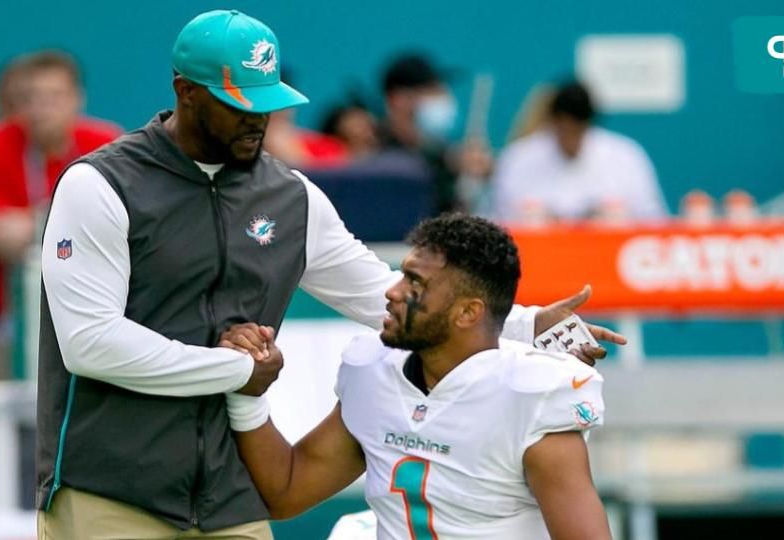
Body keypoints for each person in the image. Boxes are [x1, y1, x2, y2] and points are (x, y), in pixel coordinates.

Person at [36, 10, 624, 539]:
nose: (257, 120)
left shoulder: (290, 195)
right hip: (112, 488)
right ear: (185, 92)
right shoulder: (101, 184)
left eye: (266, 102)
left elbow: (379, 292)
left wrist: (521, 325)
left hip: (227, 495)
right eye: (239, 103)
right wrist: (239, 370)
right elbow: (91, 345)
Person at [224, 214, 612, 540]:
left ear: (467, 313)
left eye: (415, 283)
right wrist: (249, 395)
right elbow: (287, 492)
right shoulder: (373, 370)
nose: (392, 292)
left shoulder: (533, 396)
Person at [0, 51, 120, 380]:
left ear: (77, 98)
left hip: (92, 314)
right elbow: (1, 237)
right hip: (4, 321)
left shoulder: (108, 145)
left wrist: (33, 225)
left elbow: (125, 225)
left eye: (54, 97)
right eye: (31, 98)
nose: (41, 109)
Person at [492, 80, 667, 226]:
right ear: (552, 122)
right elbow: (498, 217)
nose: (569, 137)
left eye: (576, 129)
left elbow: (654, 220)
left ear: (588, 124)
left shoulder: (625, 155)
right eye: (563, 128)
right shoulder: (518, 157)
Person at [377, 52, 492, 213]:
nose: (442, 97)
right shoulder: (372, 145)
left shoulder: (440, 152)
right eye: (431, 90)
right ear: (398, 98)